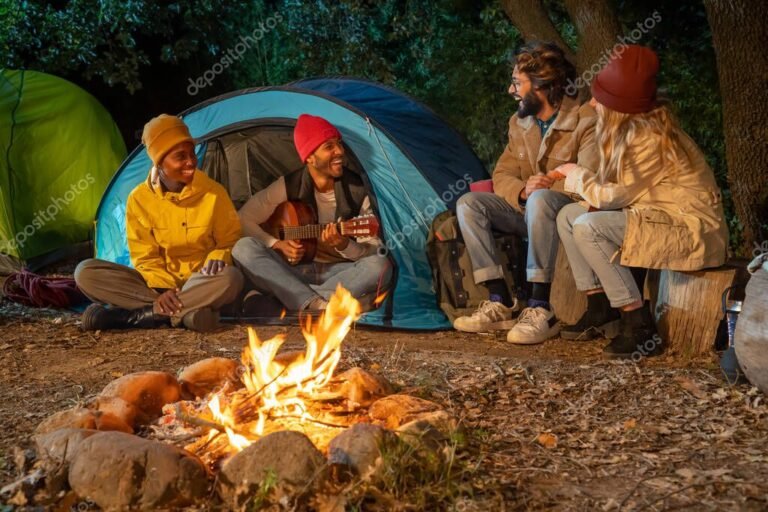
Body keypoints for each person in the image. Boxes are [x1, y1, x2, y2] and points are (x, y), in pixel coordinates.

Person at [553, 45, 728, 358]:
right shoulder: (631, 130)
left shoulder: (650, 138)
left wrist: (575, 173)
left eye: (600, 98)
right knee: (568, 216)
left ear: (619, 107)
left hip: (691, 232)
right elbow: (616, 192)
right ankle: (600, 305)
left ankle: (638, 324)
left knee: (587, 227)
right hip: (657, 218)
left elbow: (612, 196)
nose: (593, 103)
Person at [453, 41, 598, 344]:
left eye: (518, 83)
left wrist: (542, 186)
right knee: (469, 204)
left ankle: (540, 306)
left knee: (541, 199)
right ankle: (499, 299)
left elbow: (589, 177)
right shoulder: (519, 123)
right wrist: (521, 191)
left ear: (543, 85)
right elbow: (502, 173)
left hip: (564, 215)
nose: (511, 90)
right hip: (527, 210)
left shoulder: (585, 120)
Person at [75, 114, 244, 332]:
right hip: (155, 287)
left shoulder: (214, 193)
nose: (191, 161)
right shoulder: (139, 199)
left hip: (202, 282)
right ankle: (185, 314)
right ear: (159, 161)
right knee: (85, 273)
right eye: (180, 156)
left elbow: (230, 240)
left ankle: (137, 316)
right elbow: (145, 257)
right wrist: (164, 290)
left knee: (231, 278)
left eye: (192, 153)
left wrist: (218, 257)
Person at [233, 114, 390, 313]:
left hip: (340, 272)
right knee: (243, 247)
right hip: (295, 272)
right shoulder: (289, 185)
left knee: (381, 266)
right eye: (329, 147)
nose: (340, 151)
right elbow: (243, 218)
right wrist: (276, 244)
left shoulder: (358, 190)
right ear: (310, 158)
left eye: (339, 144)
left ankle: (293, 301)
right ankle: (321, 303)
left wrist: (345, 245)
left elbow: (373, 249)